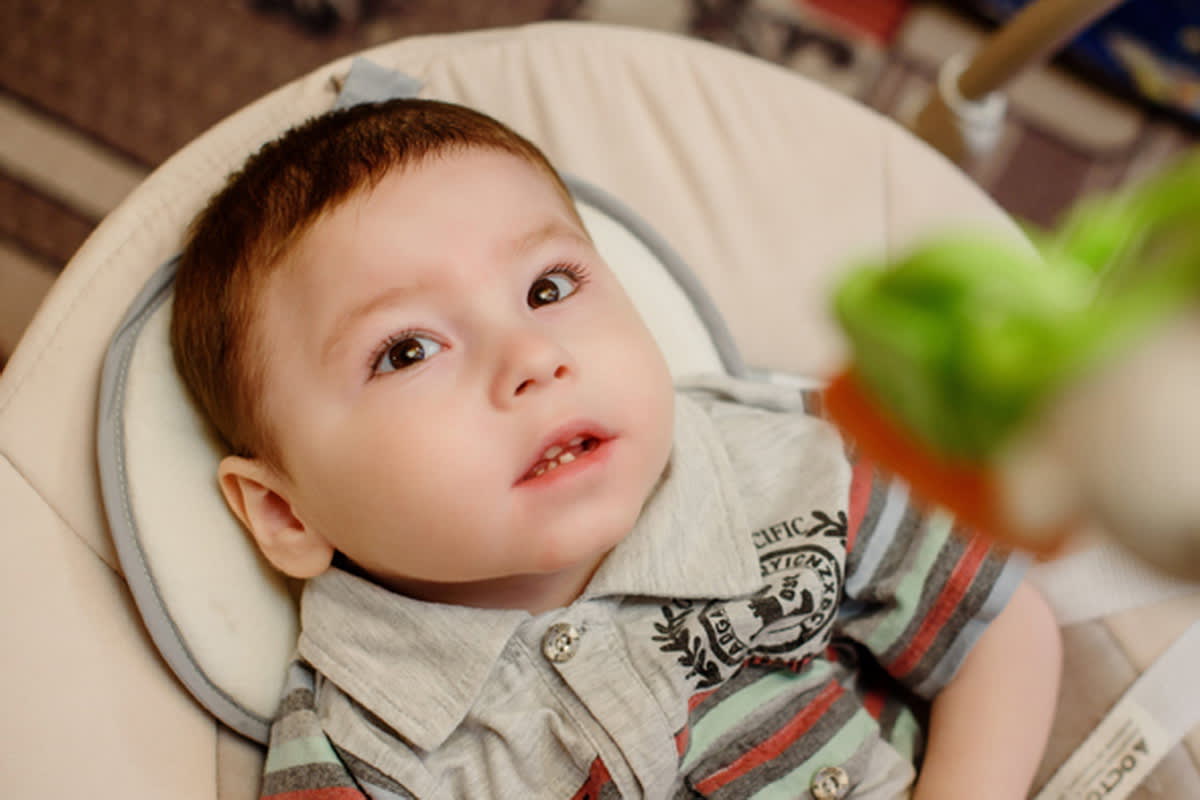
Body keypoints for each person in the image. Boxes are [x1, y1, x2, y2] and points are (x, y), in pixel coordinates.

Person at [171, 97, 1061, 799]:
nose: (532, 358)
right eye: (407, 350)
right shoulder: (361, 746)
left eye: (548, 288)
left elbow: (998, 629)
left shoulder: (780, 475)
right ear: (286, 513)